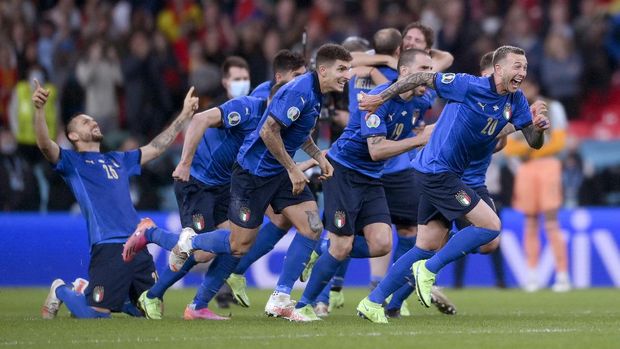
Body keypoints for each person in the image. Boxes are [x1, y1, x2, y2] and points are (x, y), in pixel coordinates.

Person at [356, 45, 550, 323]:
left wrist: (539, 129)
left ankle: (373, 302)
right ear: (498, 69)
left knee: (424, 246)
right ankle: (430, 270)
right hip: (437, 171)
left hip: (446, 175)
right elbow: (421, 78)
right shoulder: (468, 85)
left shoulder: (516, 100)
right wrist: (381, 97)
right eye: (517, 66)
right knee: (491, 226)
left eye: (525, 67)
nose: (522, 72)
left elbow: (533, 141)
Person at [167, 43, 351, 322]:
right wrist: (292, 168)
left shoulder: (316, 93)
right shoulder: (300, 90)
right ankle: (191, 241)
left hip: (277, 172)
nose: (346, 75)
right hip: (253, 173)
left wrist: (318, 157)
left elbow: (299, 133)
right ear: (323, 70)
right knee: (239, 246)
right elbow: (268, 130)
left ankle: (280, 298)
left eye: (348, 69)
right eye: (342, 69)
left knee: (312, 226)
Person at [36, 78, 198, 319]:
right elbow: (45, 146)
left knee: (150, 313)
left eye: (92, 119)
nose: (92, 122)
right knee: (96, 316)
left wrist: (184, 115)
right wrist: (39, 111)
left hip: (138, 243)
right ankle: (62, 289)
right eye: (84, 122)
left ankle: (99, 293)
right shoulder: (73, 163)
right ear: (73, 135)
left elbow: (155, 147)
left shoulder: (117, 159)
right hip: (109, 245)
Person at [294, 48, 434, 322]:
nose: (431, 76)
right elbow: (376, 150)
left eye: (431, 70)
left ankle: (322, 250)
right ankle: (303, 305)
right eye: (425, 69)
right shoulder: (376, 100)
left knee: (382, 244)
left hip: (371, 178)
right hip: (344, 172)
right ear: (405, 73)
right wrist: (418, 141)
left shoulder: (422, 100)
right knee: (343, 247)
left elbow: (419, 128)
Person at [503, 76, 570, 292]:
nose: (524, 89)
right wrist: (533, 148)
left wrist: (530, 149)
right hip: (525, 171)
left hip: (548, 167)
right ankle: (532, 274)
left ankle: (562, 274)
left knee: (551, 221)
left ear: (535, 86)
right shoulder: (512, 109)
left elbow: (559, 143)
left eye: (527, 85)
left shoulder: (554, 107)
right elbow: (509, 149)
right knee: (530, 222)